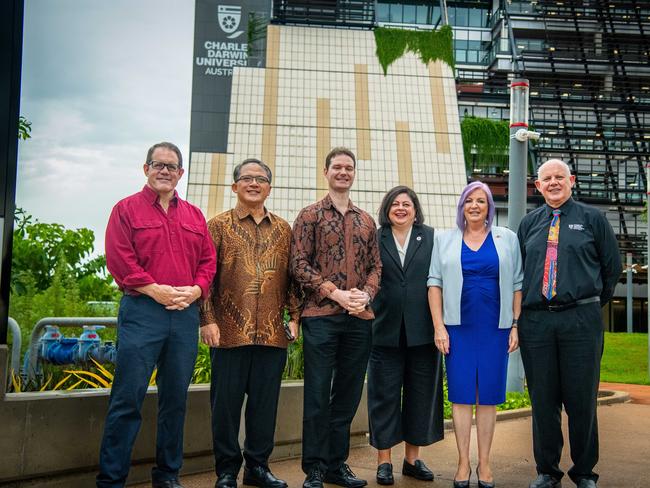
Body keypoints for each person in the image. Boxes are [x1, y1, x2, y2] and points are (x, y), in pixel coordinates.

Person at [97, 142, 216, 488]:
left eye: (171, 166)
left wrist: (195, 291)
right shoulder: (125, 210)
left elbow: (208, 262)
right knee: (127, 398)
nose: (164, 171)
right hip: (142, 312)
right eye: (158, 164)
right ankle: (111, 480)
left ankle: (167, 475)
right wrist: (155, 290)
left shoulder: (194, 216)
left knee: (175, 399)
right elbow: (120, 260)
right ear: (145, 168)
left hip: (183, 316)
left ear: (181, 173)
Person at [517, 159, 622, 488]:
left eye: (559, 177)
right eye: (546, 178)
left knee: (581, 400)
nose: (553, 183)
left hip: (581, 320)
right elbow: (519, 275)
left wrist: (585, 303)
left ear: (571, 180)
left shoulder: (593, 219)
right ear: (538, 186)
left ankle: (584, 472)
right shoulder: (528, 224)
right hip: (536, 323)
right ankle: (547, 471)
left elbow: (611, 270)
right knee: (543, 400)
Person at [200, 158, 301, 488]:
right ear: (234, 186)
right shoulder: (217, 226)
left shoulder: (284, 230)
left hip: (272, 335)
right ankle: (227, 470)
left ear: (270, 188)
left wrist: (295, 318)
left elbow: (292, 281)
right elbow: (206, 279)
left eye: (261, 179)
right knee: (225, 407)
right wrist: (208, 321)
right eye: (247, 178)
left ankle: (257, 467)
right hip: (229, 334)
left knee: (264, 406)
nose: (254, 183)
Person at [291, 147, 382, 488]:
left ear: (354, 174)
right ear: (326, 172)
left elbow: (376, 266)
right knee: (316, 394)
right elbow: (298, 265)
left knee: (346, 395)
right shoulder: (309, 215)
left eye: (349, 168)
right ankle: (314, 467)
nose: (343, 172)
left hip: (359, 319)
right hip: (322, 316)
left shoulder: (365, 220)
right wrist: (336, 293)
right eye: (337, 167)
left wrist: (366, 295)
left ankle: (335, 464)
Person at [428, 181, 522, 488]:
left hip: (495, 328)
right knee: (461, 395)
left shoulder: (506, 238)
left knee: (488, 398)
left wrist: (514, 324)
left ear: (489, 207)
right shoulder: (444, 239)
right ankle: (462, 463)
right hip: (457, 328)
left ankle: (484, 463)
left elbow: (518, 284)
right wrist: (439, 327)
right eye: (469, 200)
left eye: (481, 201)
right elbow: (434, 284)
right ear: (461, 206)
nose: (475, 206)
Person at [368, 186, 444, 485]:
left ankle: (412, 459)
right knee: (383, 397)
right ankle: (384, 461)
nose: (401, 208)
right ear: (387, 209)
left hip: (424, 332)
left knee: (421, 395)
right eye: (395, 204)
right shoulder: (375, 237)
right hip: (383, 330)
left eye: (407, 204)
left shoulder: (432, 237)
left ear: (416, 209)